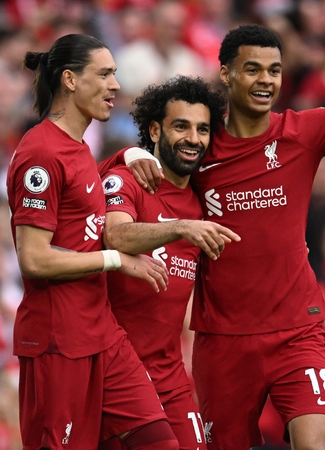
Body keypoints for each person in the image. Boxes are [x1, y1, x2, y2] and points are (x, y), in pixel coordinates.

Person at [126, 4, 325, 449]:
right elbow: (143, 161)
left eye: (275, 70)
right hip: (223, 340)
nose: (266, 80)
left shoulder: (306, 131)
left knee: (315, 442)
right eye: (253, 69)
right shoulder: (199, 148)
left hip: (297, 331)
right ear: (226, 74)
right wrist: (131, 154)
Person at [5, 33, 178, 449]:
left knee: (159, 442)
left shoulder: (77, 147)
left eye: (114, 74)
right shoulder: (40, 154)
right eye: (103, 74)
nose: (115, 85)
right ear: (69, 80)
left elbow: (78, 191)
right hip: (57, 341)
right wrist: (116, 259)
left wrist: (124, 155)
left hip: (101, 332)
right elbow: (34, 259)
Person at [97, 76, 240, 450]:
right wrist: (180, 227)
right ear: (155, 130)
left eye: (202, 129)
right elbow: (116, 235)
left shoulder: (203, 200)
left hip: (170, 375)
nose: (193, 138)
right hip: (114, 370)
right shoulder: (127, 179)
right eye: (181, 126)